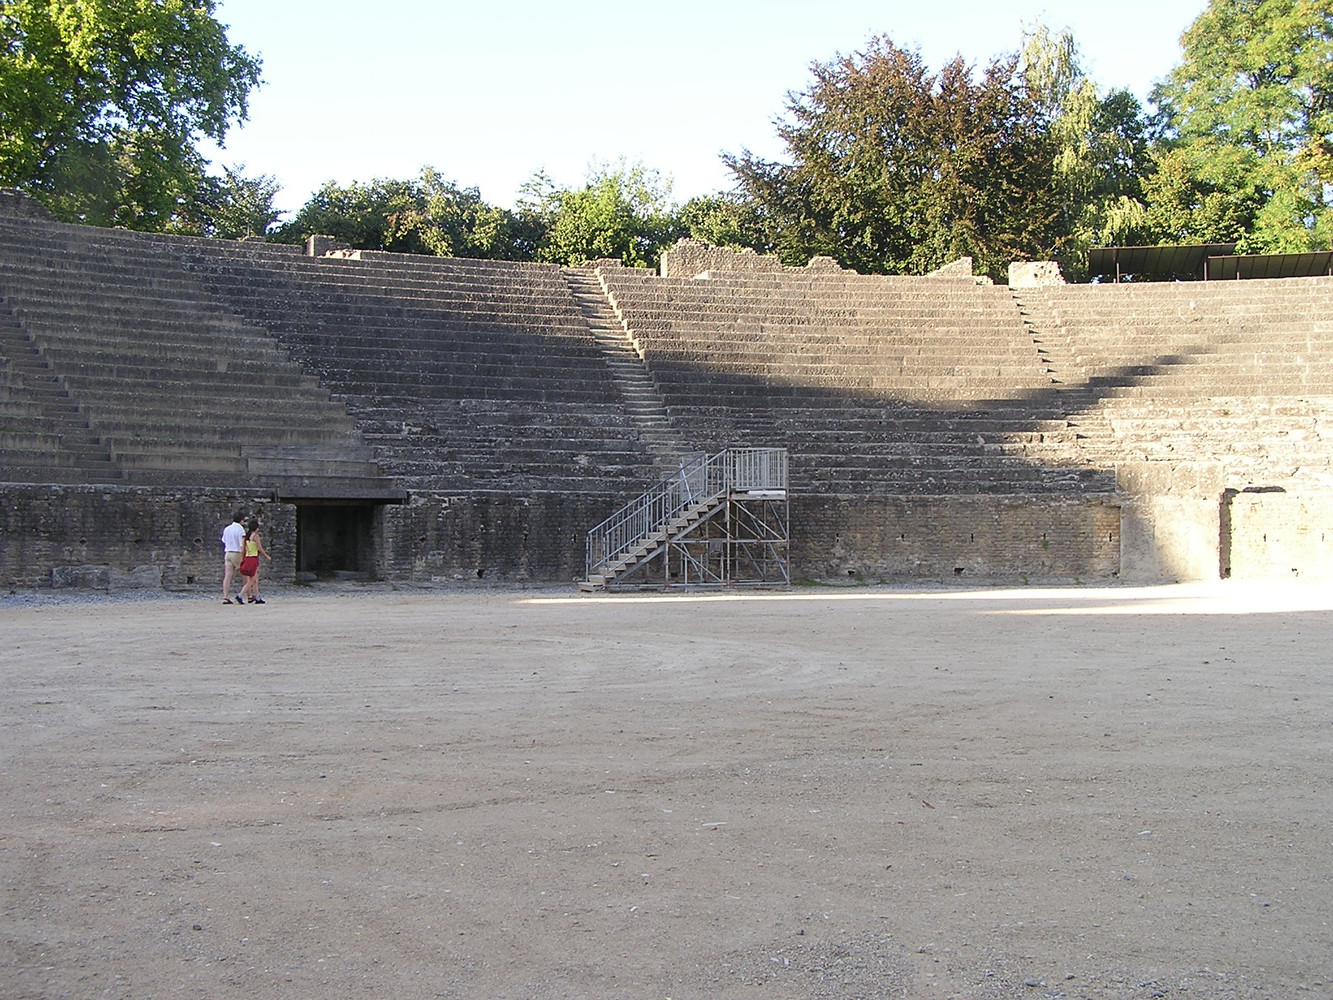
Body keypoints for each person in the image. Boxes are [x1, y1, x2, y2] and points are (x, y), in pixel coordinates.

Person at [238, 517, 272, 604]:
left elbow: (243, 549)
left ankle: (257, 597)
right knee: (252, 580)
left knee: (255, 579)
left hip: (248, 557)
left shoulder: (246, 537)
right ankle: (240, 595)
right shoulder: (255, 536)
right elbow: (259, 548)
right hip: (253, 558)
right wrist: (266, 556)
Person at [221, 511, 246, 604]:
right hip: (237, 553)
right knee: (245, 575)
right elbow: (242, 545)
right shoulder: (240, 530)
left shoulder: (227, 529)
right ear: (241, 520)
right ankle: (246, 595)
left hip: (228, 552)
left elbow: (224, 540)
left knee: (228, 575)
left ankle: (225, 596)